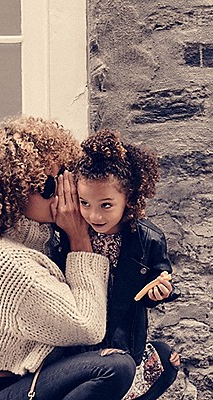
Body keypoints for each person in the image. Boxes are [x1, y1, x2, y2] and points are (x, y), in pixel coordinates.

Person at [0, 115, 136, 400]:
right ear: (13, 194)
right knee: (113, 369)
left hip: (29, 383)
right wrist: (79, 238)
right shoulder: (5, 260)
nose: (63, 195)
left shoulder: (40, 246)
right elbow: (88, 326)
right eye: (49, 187)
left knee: (157, 359)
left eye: (65, 179)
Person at [69, 128, 180, 400]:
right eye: (84, 203)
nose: (94, 215)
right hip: (78, 343)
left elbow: (157, 279)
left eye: (106, 205)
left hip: (124, 339)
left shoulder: (149, 239)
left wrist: (160, 291)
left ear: (128, 199)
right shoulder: (70, 233)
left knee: (163, 362)